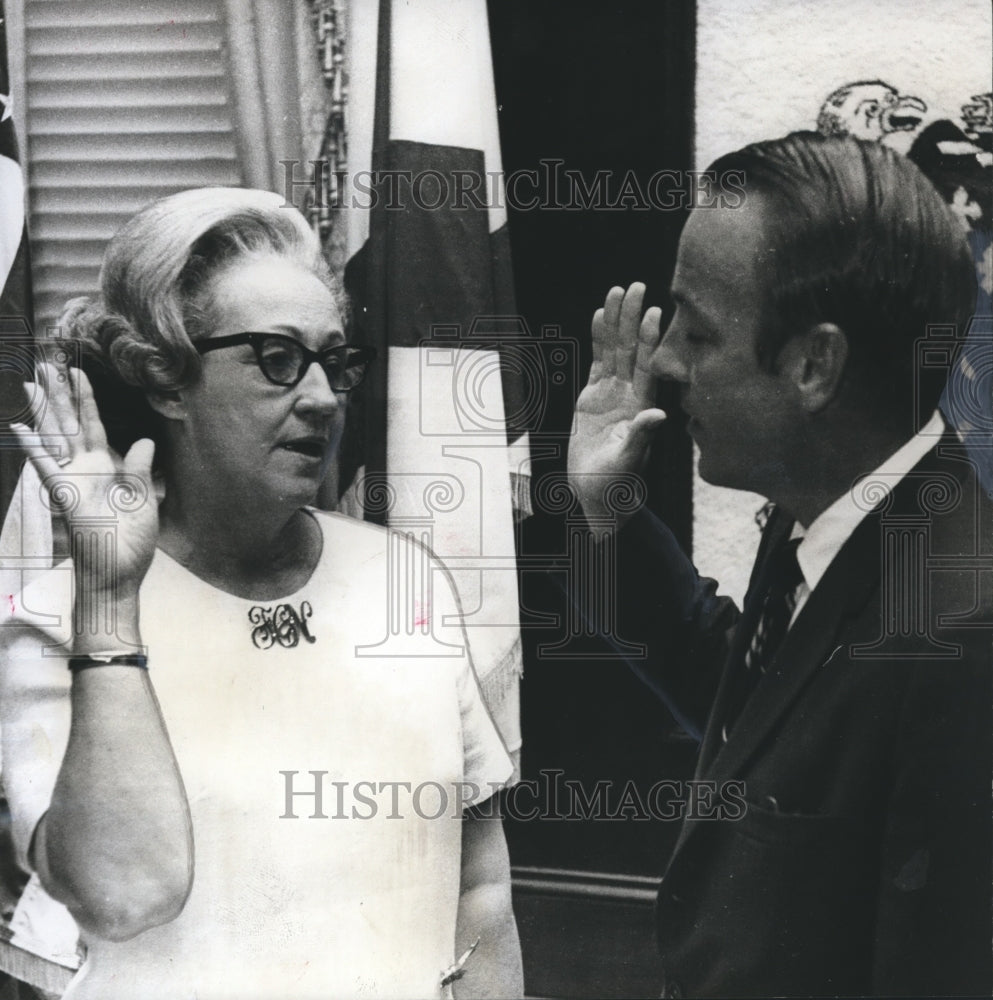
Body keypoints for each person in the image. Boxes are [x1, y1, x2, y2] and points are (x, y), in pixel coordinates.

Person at [0, 187, 523, 998]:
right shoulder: (54, 622)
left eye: (333, 360)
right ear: (167, 379)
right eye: (277, 358)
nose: (321, 397)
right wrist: (109, 599)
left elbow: (479, 883)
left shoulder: (403, 581)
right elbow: (124, 894)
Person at [568, 133, 990, 996]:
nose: (667, 364)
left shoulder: (962, 641)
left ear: (812, 365)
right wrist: (610, 510)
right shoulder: (838, 508)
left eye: (698, 330)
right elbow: (763, 721)